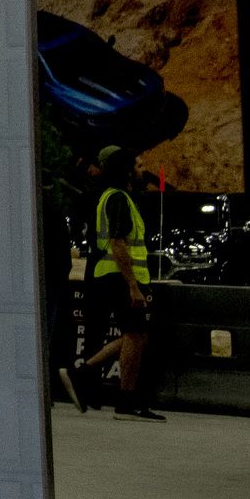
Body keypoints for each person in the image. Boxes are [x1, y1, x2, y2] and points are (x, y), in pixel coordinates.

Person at [74, 144, 162, 418]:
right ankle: (125, 401)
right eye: (137, 166)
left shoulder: (112, 196)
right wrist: (133, 285)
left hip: (112, 276)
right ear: (125, 171)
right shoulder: (119, 199)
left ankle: (84, 371)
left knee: (135, 336)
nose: (142, 170)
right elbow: (118, 243)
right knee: (135, 335)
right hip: (120, 278)